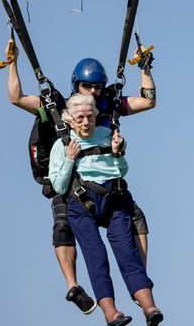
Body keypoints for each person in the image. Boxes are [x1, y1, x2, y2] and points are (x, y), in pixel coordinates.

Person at [5, 40, 157, 314]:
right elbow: (17, 98)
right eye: (88, 87)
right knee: (63, 226)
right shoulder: (61, 107)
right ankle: (73, 286)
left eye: (97, 87)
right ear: (77, 85)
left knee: (137, 218)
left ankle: (139, 281)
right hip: (69, 181)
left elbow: (147, 101)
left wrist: (145, 67)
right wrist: (13, 63)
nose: (93, 92)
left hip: (106, 181)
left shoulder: (108, 106)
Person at [49, 94, 163, 326]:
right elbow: (59, 186)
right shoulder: (62, 145)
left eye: (90, 117)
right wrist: (70, 159)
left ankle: (150, 308)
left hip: (113, 200)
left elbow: (121, 170)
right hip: (81, 205)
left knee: (127, 253)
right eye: (80, 118)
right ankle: (111, 314)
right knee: (96, 257)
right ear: (70, 120)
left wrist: (118, 153)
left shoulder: (107, 136)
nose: (85, 122)